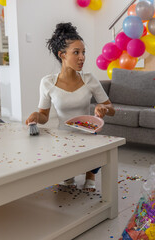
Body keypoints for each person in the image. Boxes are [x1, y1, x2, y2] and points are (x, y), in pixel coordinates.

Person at [26, 22, 115, 192]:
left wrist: (104, 109)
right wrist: (37, 117)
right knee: (67, 182)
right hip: (63, 138)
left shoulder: (89, 79)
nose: (82, 57)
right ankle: (69, 175)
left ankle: (91, 176)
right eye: (76, 52)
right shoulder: (47, 83)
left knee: (93, 154)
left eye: (83, 52)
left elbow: (111, 108)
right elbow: (44, 117)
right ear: (62, 55)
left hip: (89, 135)